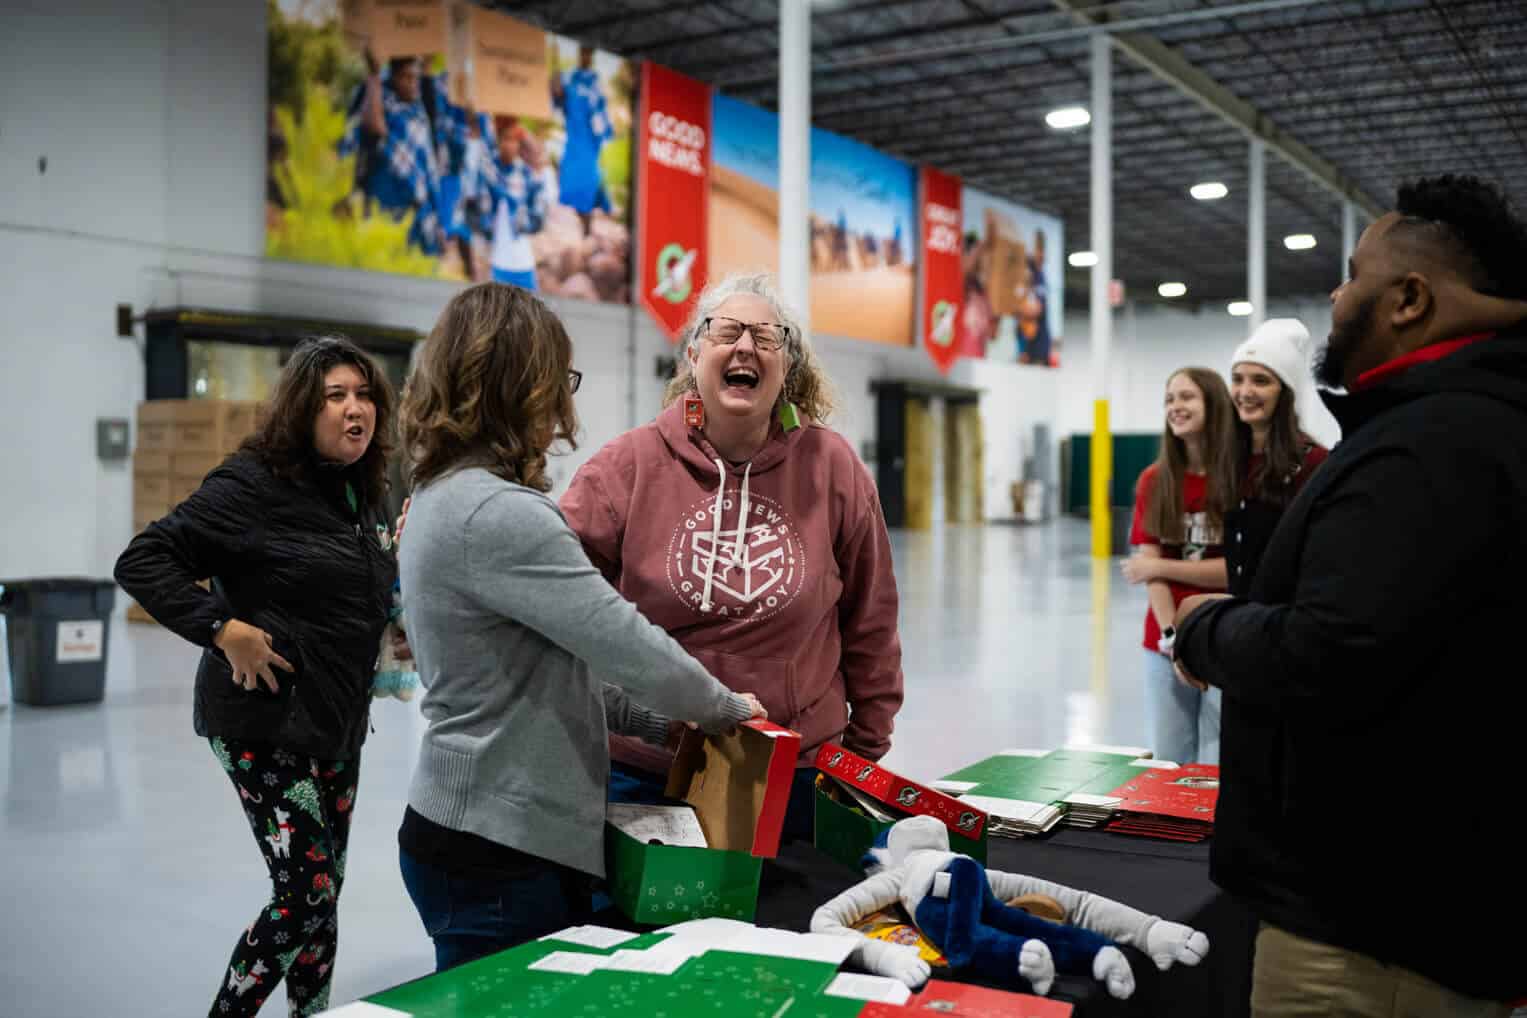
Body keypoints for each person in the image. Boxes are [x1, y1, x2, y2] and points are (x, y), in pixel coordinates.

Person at [1174, 175, 1527, 1014]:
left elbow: (1332, 648)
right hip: (1434, 899)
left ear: (1407, 298)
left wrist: (1205, 631)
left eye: (1352, 272)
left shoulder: (1435, 443)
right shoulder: (1475, 422)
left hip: (1373, 933)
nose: (1337, 293)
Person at [394, 282, 764, 972]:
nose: (562, 400)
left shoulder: (441, 494)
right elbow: (619, 639)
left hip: (467, 824)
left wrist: (660, 726)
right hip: (500, 845)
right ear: (521, 386)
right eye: (556, 379)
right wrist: (721, 708)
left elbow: (553, 666)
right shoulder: (499, 514)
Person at [560, 273, 905, 840]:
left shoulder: (833, 469)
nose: (745, 346)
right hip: (645, 773)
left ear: (787, 367)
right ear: (694, 354)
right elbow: (557, 595)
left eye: (766, 337)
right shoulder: (628, 466)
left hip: (795, 776)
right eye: (727, 332)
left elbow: (872, 623)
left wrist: (862, 760)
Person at [114, 337, 399, 1017]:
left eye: (364, 395)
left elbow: (355, 587)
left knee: (321, 896)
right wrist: (222, 628)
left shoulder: (364, 491)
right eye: (336, 396)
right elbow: (143, 559)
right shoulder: (251, 485)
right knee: (305, 891)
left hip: (336, 720)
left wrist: (392, 631)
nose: (355, 410)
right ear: (303, 407)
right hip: (261, 720)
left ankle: (312, 1011)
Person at [1120, 367, 1235, 764]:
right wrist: (1172, 637)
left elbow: (1238, 570)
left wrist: (1161, 569)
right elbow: (1148, 566)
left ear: (1214, 404)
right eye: (1169, 399)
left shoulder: (1240, 478)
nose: (1175, 406)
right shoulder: (1154, 480)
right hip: (1164, 642)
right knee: (1170, 761)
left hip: (1227, 636)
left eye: (1187, 397)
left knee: (1219, 760)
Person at [1224, 318, 1335, 597]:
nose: (1245, 392)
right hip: (1242, 617)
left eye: (1261, 381)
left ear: (1285, 393)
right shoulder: (1233, 460)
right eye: (1238, 379)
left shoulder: (1314, 464)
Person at [342, 53, 445, 255]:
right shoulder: (381, 104)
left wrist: (438, 221)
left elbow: (427, 165)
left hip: (415, 208)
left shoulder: (417, 111)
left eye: (415, 77)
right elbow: (375, 128)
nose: (413, 83)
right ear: (393, 79)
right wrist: (373, 75)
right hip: (385, 202)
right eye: (407, 77)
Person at [550, 45, 611, 236]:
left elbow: (601, 114)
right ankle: (583, 227)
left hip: (590, 144)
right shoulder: (569, 78)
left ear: (591, 56)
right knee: (570, 184)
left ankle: (587, 230)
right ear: (579, 53)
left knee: (589, 184)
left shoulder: (596, 83)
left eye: (589, 53)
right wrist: (555, 84)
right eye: (583, 52)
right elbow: (558, 100)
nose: (586, 56)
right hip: (573, 139)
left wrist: (601, 140)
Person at [485, 115, 549, 290]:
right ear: (498, 142)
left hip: (524, 263)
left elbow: (539, 214)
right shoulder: (489, 170)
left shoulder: (527, 175)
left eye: (514, 141)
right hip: (499, 262)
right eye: (506, 139)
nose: (510, 145)